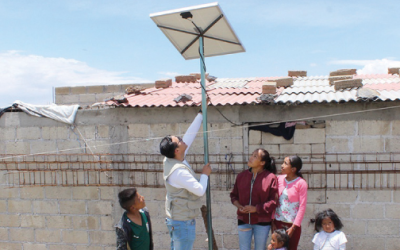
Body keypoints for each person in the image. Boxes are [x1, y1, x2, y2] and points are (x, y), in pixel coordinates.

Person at [159, 111, 212, 250]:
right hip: (182, 223)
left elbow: (189, 136)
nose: (182, 140)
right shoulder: (179, 172)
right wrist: (204, 175)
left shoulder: (171, 158)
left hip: (177, 220)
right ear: (177, 150)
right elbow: (200, 190)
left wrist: (201, 115)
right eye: (179, 140)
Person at [230, 148, 279, 250]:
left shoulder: (271, 178)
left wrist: (256, 208)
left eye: (255, 156)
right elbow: (233, 195)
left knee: (260, 248)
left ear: (262, 162)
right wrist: (238, 205)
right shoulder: (241, 176)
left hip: (262, 221)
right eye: (252, 155)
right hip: (243, 220)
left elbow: (273, 201)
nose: (251, 158)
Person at [273, 155, 308, 250]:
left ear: (293, 169)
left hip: (292, 225)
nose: (282, 165)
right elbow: (273, 200)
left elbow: (302, 206)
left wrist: (294, 227)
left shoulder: (301, 183)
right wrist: (272, 221)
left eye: (285, 163)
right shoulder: (279, 179)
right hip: (278, 223)